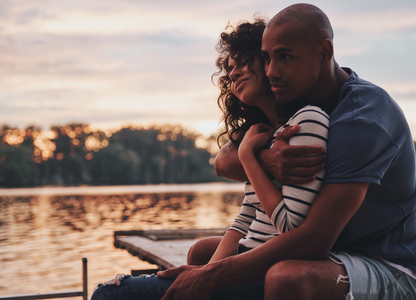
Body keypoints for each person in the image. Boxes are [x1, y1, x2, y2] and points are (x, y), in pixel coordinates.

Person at [156, 3, 416, 300]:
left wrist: (208, 277)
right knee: (203, 250)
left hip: (386, 264)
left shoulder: (362, 117)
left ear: (323, 52)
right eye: (266, 59)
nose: (272, 71)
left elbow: (313, 241)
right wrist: (265, 158)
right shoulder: (299, 104)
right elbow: (223, 160)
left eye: (284, 57)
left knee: (287, 278)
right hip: (334, 252)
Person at [91, 17, 328, 300]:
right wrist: (202, 277)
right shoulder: (262, 134)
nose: (233, 73)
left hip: (264, 270)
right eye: (229, 69)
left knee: (109, 295)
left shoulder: (305, 122)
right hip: (242, 262)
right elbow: (244, 222)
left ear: (268, 63)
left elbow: (290, 228)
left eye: (243, 61)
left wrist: (248, 158)